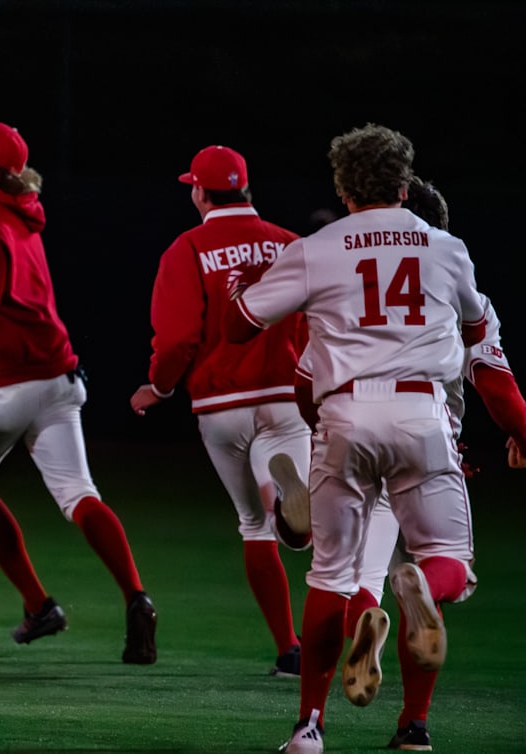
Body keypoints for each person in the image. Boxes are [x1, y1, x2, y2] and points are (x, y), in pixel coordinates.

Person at [222, 123, 514, 754]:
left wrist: (246, 293)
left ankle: (308, 729)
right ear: (404, 186)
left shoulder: (318, 247)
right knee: (446, 567)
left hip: (345, 415)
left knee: (329, 577)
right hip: (423, 415)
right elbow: (480, 348)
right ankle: (414, 708)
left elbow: (240, 327)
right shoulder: (447, 249)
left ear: (343, 188)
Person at [0, 121, 158, 664]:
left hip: (4, 382)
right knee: (80, 494)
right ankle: (136, 594)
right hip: (59, 377)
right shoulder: (24, 218)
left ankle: (39, 603)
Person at [128, 145, 308, 676]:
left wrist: (158, 389)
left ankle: (288, 647)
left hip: (220, 404)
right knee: (303, 528)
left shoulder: (188, 247)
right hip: (283, 393)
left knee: (252, 527)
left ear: (201, 192)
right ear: (245, 188)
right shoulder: (290, 244)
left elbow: (179, 336)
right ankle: (291, 508)